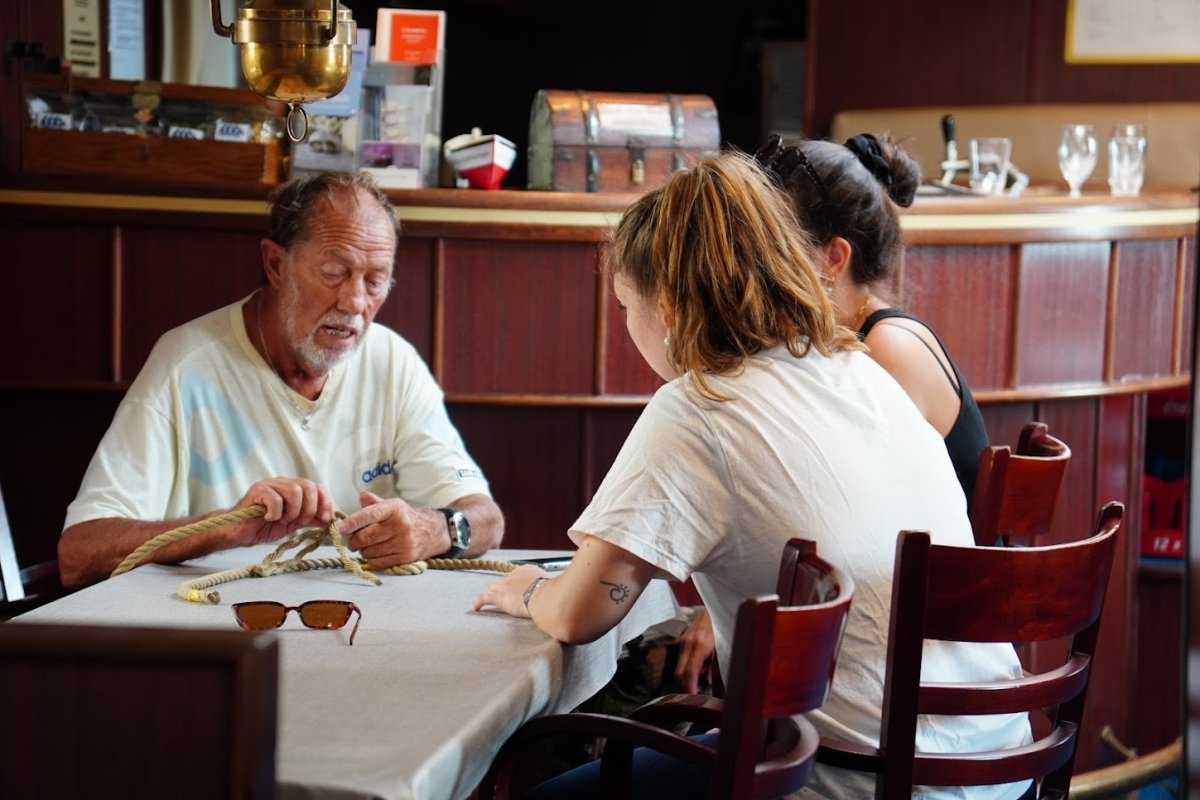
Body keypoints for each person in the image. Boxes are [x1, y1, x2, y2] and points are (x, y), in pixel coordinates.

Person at [472, 151, 1031, 800]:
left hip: (853, 777)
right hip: (997, 763)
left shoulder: (699, 407)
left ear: (670, 310)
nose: (629, 327)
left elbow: (578, 615)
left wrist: (524, 590)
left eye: (626, 306)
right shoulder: (860, 372)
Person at [58, 171, 503, 588]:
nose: (353, 301)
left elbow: (486, 518)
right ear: (275, 264)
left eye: (375, 280)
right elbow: (79, 554)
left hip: (361, 624)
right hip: (227, 629)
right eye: (334, 272)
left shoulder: (392, 360)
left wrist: (436, 529)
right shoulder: (187, 365)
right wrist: (224, 528)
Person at [673, 132, 992, 695]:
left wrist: (720, 612)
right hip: (884, 619)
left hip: (917, 648)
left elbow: (846, 513)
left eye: (774, 248)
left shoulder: (883, 349)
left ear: (834, 257)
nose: (758, 269)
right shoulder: (834, 349)